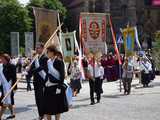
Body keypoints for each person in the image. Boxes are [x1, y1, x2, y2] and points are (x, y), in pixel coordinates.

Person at [44, 45, 68, 120]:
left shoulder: (59, 61)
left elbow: (62, 76)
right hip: (48, 87)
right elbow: (42, 70)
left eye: (48, 52)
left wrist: (59, 87)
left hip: (56, 87)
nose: (47, 53)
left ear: (52, 52)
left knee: (57, 108)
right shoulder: (48, 62)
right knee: (47, 109)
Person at [27, 43, 48, 120]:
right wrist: (27, 73)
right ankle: (41, 114)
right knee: (38, 100)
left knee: (42, 99)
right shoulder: (35, 58)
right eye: (36, 48)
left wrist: (32, 70)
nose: (36, 50)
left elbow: (41, 68)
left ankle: (44, 114)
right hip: (36, 82)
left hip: (43, 82)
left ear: (42, 49)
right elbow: (32, 68)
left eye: (38, 48)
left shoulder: (45, 58)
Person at [0, 53, 17, 119]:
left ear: (6, 59)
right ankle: (12, 113)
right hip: (3, 87)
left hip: (9, 87)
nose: (1, 59)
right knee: (8, 101)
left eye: (2, 58)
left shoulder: (12, 66)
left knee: (4, 103)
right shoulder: (1, 66)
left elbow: (14, 77)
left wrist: (14, 87)